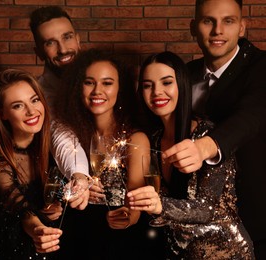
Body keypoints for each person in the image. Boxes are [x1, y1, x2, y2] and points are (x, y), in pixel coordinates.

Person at [161, 0, 266, 258]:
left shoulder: (262, 66)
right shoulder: (185, 74)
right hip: (193, 226)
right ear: (193, 28)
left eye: (228, 21)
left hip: (255, 217)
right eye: (209, 21)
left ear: (242, 27)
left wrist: (203, 147)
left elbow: (250, 117)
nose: (218, 30)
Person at [127, 51, 254, 259]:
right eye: (148, 85)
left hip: (225, 253)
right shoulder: (154, 140)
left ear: (182, 86)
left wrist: (160, 205)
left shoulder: (208, 136)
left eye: (166, 82)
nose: (157, 92)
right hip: (182, 253)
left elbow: (207, 209)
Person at [54, 48, 164, 259]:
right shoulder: (70, 136)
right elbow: (58, 188)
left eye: (107, 83)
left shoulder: (135, 139)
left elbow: (136, 200)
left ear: (119, 88)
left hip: (120, 239)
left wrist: (127, 217)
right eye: (89, 82)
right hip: (77, 234)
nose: (97, 91)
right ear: (79, 88)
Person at [0, 68, 63, 259]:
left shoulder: (52, 148)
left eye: (34, 100)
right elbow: (22, 210)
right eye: (17, 106)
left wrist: (53, 206)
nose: (32, 111)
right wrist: (38, 227)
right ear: (2, 114)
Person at [29, 6, 90, 208]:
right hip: (65, 201)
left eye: (67, 37)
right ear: (38, 51)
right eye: (50, 43)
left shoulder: (98, 80)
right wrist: (79, 175)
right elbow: (61, 136)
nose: (63, 49)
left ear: (78, 39)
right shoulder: (39, 94)